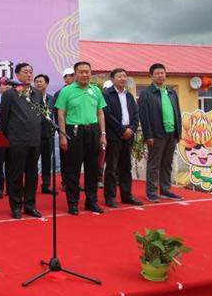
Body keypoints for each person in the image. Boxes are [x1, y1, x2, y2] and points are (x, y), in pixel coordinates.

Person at [55, 61, 107, 216]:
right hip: (74, 132)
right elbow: (61, 114)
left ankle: (92, 201)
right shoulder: (67, 91)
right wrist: (63, 136)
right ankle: (73, 203)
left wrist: (103, 134)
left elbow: (100, 113)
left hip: (93, 131)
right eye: (81, 72)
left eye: (87, 72)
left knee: (92, 169)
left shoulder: (96, 90)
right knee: (73, 170)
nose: (85, 74)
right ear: (75, 74)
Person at [0, 63, 44, 219]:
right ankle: (16, 205)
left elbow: (41, 114)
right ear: (17, 75)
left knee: (32, 175)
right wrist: (11, 134)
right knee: (16, 175)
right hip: (17, 141)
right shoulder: (9, 94)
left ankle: (30, 205)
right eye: (25, 72)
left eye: (31, 72)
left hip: (35, 140)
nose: (29, 75)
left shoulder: (37, 93)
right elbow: (3, 118)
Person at [138, 63, 183, 202]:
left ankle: (165, 189)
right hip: (156, 134)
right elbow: (144, 117)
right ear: (151, 76)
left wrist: (178, 132)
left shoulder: (171, 92)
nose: (161, 76)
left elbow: (178, 112)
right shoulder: (146, 94)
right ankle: (151, 192)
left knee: (167, 163)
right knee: (154, 164)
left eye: (162, 73)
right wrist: (148, 135)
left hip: (171, 132)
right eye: (157, 73)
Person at [102, 68, 143, 207]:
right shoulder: (107, 94)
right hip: (114, 135)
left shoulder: (129, 95)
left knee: (126, 167)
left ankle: (126, 195)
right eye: (119, 76)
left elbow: (136, 114)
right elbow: (107, 115)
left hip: (129, 135)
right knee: (112, 167)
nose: (123, 79)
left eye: (125, 76)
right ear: (112, 79)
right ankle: (110, 197)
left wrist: (131, 128)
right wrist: (122, 130)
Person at [34, 73, 56, 195]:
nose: (38, 83)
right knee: (32, 162)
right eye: (36, 81)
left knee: (47, 161)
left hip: (49, 135)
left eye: (41, 81)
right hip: (35, 135)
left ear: (46, 84)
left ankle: (46, 185)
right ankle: (32, 184)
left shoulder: (52, 99)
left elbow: (55, 115)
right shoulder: (30, 98)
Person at [53, 67, 75, 191]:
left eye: (72, 75)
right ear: (64, 78)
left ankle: (74, 181)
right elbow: (57, 114)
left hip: (78, 128)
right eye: (67, 76)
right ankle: (66, 182)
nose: (69, 78)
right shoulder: (59, 93)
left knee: (76, 157)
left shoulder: (80, 91)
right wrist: (61, 132)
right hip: (65, 129)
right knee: (66, 157)